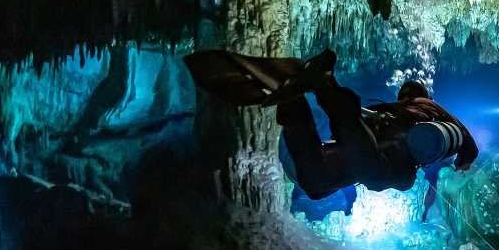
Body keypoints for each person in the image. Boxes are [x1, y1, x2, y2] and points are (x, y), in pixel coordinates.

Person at [184, 48, 478, 200]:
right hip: (390, 146)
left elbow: (366, 117)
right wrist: (464, 160)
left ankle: (293, 102)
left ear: (407, 94)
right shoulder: (432, 108)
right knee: (374, 173)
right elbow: (466, 139)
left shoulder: (402, 106)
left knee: (316, 182)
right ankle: (323, 85)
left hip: (368, 131)